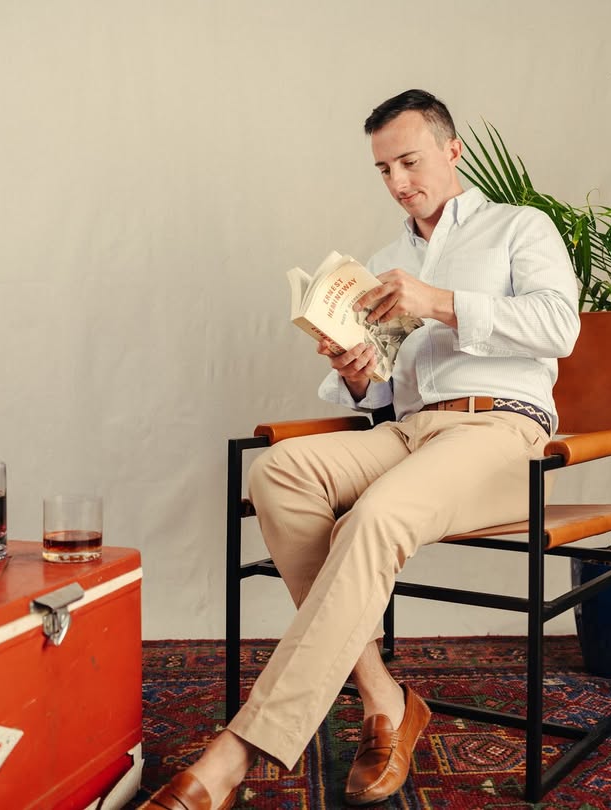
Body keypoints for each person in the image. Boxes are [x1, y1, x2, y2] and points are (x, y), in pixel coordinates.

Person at [141, 89, 579, 810]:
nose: (398, 181)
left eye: (410, 161)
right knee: (279, 473)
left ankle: (236, 752)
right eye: (383, 169)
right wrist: (354, 372)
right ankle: (383, 696)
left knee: (374, 516)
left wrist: (435, 301)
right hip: (408, 432)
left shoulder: (517, 227)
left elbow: (559, 328)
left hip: (504, 434)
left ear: (452, 150)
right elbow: (381, 389)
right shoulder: (382, 260)